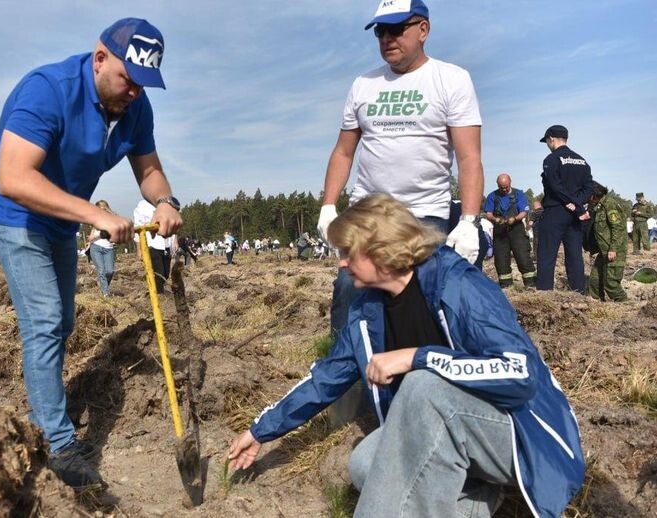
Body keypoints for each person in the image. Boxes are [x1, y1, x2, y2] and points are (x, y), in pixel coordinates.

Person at [227, 194, 584, 517]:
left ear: (381, 249)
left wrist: (418, 357)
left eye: (349, 252)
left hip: (522, 436)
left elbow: (519, 374)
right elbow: (326, 377)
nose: (343, 263)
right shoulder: (366, 310)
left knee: (422, 386)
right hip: (453, 437)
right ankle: (478, 499)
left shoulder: (457, 284)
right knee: (365, 465)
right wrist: (260, 432)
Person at [0, 18, 181, 489]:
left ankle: (37, 411)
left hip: (60, 219)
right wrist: (95, 215)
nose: (134, 94)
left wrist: (165, 200)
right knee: (44, 319)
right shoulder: (48, 89)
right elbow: (13, 177)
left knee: (63, 322)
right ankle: (56, 441)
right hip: (12, 212)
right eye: (128, 80)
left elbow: (148, 169)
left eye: (144, 85)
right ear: (100, 58)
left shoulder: (135, 109)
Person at [315, 0, 484, 338]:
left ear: (423, 30)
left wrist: (468, 221)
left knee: (422, 296)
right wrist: (329, 205)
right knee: (350, 289)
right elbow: (343, 152)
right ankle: (345, 372)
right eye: (381, 31)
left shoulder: (451, 79)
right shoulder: (364, 84)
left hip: (425, 212)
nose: (387, 39)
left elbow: (469, 157)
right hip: (369, 212)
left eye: (396, 29)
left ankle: (419, 369)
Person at [535, 125, 593, 292]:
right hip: (575, 215)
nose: (547, 144)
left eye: (546, 141)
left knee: (546, 255)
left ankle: (545, 294)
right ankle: (579, 293)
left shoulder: (551, 159)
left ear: (551, 138)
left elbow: (555, 186)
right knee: (575, 255)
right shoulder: (581, 160)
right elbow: (589, 188)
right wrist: (577, 204)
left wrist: (570, 202)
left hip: (555, 210)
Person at [483, 173, 536, 288]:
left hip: (516, 230)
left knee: (523, 257)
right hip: (500, 231)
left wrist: (515, 218)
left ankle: (530, 284)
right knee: (501, 260)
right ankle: (507, 286)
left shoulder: (519, 194)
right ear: (497, 185)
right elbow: (488, 214)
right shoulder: (492, 196)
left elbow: (524, 212)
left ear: (510, 182)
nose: (504, 189)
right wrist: (495, 219)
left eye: (506, 187)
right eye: (501, 187)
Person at [585, 182, 628, 301]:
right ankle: (598, 304)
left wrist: (613, 248)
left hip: (614, 250)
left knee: (611, 283)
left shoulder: (610, 204)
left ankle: (624, 304)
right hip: (604, 250)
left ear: (594, 194)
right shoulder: (598, 206)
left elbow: (618, 228)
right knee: (594, 280)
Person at [134, 199, 175, 291]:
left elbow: (172, 223)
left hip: (166, 244)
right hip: (152, 244)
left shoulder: (168, 203)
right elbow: (138, 229)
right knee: (158, 272)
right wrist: (139, 250)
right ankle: (159, 295)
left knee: (166, 273)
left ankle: (159, 289)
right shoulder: (142, 206)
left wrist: (174, 241)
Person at [87, 201, 116, 297]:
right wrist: (98, 235)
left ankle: (104, 286)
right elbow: (90, 238)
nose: (102, 209)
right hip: (96, 248)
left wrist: (108, 210)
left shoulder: (113, 219)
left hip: (109, 249)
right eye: (100, 208)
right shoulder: (95, 220)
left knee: (110, 271)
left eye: (104, 207)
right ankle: (105, 293)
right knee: (101, 270)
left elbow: (117, 221)